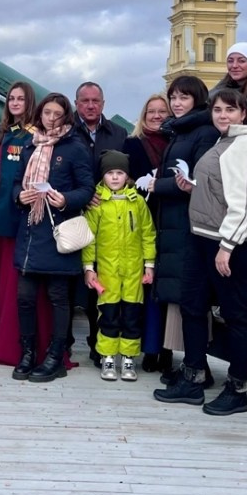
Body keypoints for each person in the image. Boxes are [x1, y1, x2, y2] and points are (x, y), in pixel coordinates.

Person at [154, 88, 247, 416]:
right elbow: (222, 188)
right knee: (193, 306)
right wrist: (193, 187)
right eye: (217, 110)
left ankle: (237, 390)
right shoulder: (223, 140)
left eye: (230, 109)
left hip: (231, 244)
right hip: (202, 237)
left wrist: (228, 245)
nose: (223, 115)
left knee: (236, 315)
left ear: (243, 114)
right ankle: (193, 376)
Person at [11, 93, 94, 383]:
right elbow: (15, 183)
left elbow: (87, 188)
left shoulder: (75, 147)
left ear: (66, 116)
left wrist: (66, 199)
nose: (51, 118)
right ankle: (28, 353)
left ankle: (56, 356)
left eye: (57, 114)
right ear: (40, 114)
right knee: (25, 298)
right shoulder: (29, 145)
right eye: (47, 113)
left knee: (59, 298)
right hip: (31, 232)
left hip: (58, 231)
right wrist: (20, 196)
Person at [151, 75, 218, 381]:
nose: (176, 103)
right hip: (175, 221)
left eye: (184, 97)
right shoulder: (181, 130)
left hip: (189, 222)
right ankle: (192, 364)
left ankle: (197, 367)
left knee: (191, 297)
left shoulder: (202, 132)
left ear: (197, 99)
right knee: (183, 296)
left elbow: (197, 181)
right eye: (173, 97)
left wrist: (158, 185)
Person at [82, 150, 156, 382]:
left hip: (133, 272)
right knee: (109, 316)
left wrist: (149, 264)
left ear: (127, 176)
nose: (115, 177)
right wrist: (88, 267)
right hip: (107, 272)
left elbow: (148, 234)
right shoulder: (97, 204)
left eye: (120, 173)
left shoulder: (138, 202)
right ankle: (108, 356)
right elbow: (89, 239)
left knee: (132, 317)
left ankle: (128, 357)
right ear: (103, 175)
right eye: (110, 173)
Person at [0, 81, 39, 366]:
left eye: (21, 98)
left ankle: (20, 345)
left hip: (21, 219)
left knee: (19, 285)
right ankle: (7, 339)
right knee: (4, 284)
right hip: (3, 216)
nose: (15, 102)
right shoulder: (7, 132)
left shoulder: (34, 135)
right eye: (11, 98)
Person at [73, 80, 128, 363]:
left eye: (95, 101)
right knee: (71, 281)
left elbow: (126, 173)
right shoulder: (67, 131)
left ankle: (99, 344)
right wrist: (82, 196)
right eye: (85, 101)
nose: (91, 106)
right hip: (74, 214)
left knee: (102, 283)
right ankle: (64, 343)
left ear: (103, 104)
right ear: (76, 104)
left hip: (109, 219)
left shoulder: (118, 134)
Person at [121, 93, 170, 372]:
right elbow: (121, 180)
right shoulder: (132, 143)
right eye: (151, 111)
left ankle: (166, 348)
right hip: (141, 222)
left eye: (162, 111)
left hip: (171, 220)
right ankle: (149, 348)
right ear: (143, 115)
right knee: (145, 286)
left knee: (166, 289)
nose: (157, 116)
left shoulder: (175, 142)